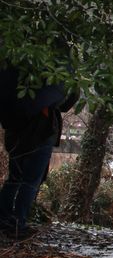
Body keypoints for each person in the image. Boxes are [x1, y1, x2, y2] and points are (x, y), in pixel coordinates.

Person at [0, 66, 79, 241]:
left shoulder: (10, 74)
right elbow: (66, 103)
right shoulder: (50, 84)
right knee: (30, 182)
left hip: (14, 134)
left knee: (14, 178)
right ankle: (19, 224)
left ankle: (4, 219)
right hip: (40, 134)